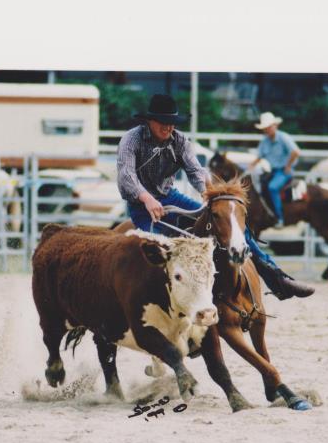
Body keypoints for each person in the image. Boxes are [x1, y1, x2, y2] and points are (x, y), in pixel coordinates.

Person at [117, 94, 313, 300]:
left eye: (172, 122)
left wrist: (206, 191)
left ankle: (278, 279)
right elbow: (125, 175)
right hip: (141, 206)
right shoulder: (132, 140)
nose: (168, 127)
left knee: (227, 222)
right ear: (149, 121)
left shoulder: (180, 141)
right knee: (155, 249)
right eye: (162, 122)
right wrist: (146, 198)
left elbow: (195, 170)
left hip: (170, 197)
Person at [247, 111, 301, 227]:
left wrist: (288, 166)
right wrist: (251, 166)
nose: (267, 130)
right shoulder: (265, 141)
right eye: (265, 128)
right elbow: (259, 156)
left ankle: (279, 218)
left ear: (275, 126)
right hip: (273, 171)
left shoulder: (283, 137)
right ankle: (265, 214)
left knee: (272, 187)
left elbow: (296, 152)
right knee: (260, 186)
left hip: (284, 171)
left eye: (269, 127)